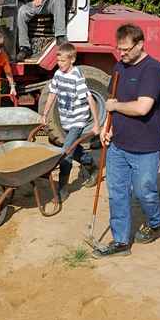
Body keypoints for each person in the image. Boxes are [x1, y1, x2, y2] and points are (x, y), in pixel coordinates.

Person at [94, 24, 160, 259]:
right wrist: (109, 128)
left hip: (146, 146)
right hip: (118, 145)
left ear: (140, 44)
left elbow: (143, 107)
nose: (121, 53)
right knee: (117, 193)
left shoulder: (152, 70)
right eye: (119, 49)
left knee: (144, 191)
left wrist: (115, 106)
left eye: (125, 49)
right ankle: (121, 241)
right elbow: (111, 100)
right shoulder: (119, 67)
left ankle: (156, 223)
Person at [40, 43, 100, 201]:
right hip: (66, 120)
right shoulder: (58, 74)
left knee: (66, 152)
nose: (60, 64)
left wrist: (96, 124)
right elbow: (52, 94)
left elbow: (89, 98)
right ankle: (92, 166)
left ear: (72, 60)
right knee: (74, 150)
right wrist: (45, 113)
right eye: (58, 61)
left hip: (77, 121)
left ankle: (62, 190)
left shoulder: (76, 76)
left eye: (63, 61)